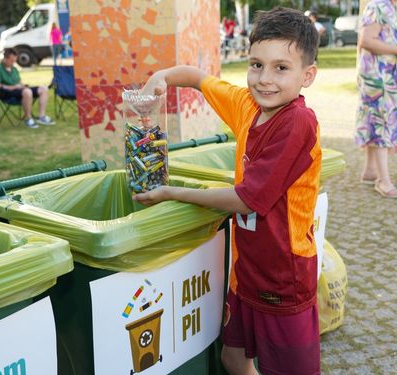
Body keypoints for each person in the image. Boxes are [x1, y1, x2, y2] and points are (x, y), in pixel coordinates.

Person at [134, 7, 322, 375]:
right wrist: (161, 78)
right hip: (246, 271)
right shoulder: (246, 105)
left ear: (308, 75)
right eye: (256, 65)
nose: (265, 79)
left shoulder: (298, 123)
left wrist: (171, 193)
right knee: (233, 359)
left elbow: (243, 199)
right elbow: (198, 78)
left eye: (281, 68)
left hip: (284, 277)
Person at [355, 0, 397, 198]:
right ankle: (383, 180)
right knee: (383, 122)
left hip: (383, 77)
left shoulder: (388, 7)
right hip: (378, 78)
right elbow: (366, 40)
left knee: (375, 119)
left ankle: (370, 171)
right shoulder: (378, 6)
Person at [0, 48, 55, 129]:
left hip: (20, 90)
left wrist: (22, 85)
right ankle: (28, 118)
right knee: (27, 92)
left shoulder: (14, 69)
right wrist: (12, 87)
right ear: (5, 58)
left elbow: (18, 82)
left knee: (43, 88)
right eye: (11, 61)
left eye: (14, 61)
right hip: (7, 93)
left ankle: (41, 116)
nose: (13, 63)